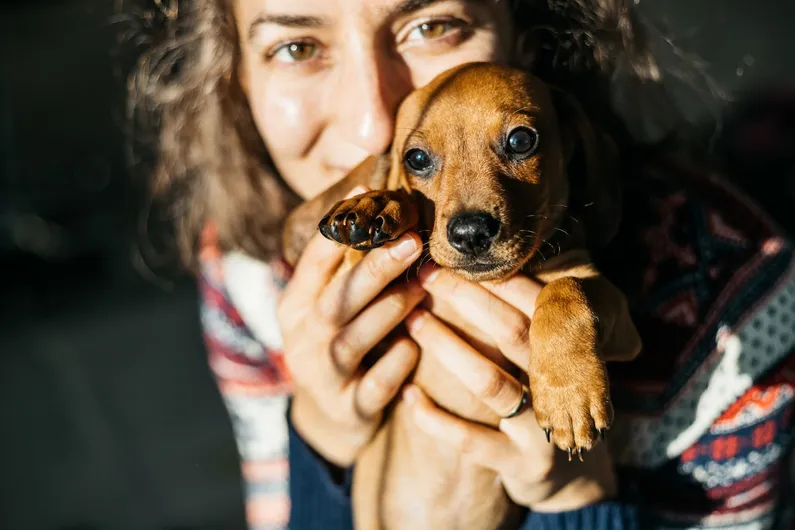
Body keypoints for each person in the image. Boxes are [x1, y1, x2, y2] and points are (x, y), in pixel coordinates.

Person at [132, 0, 795, 528]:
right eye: (297, 46)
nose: (373, 123)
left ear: (529, 30)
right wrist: (319, 437)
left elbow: (599, 311)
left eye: (432, 25)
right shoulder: (245, 273)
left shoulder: (738, 302)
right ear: (236, 80)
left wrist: (578, 500)